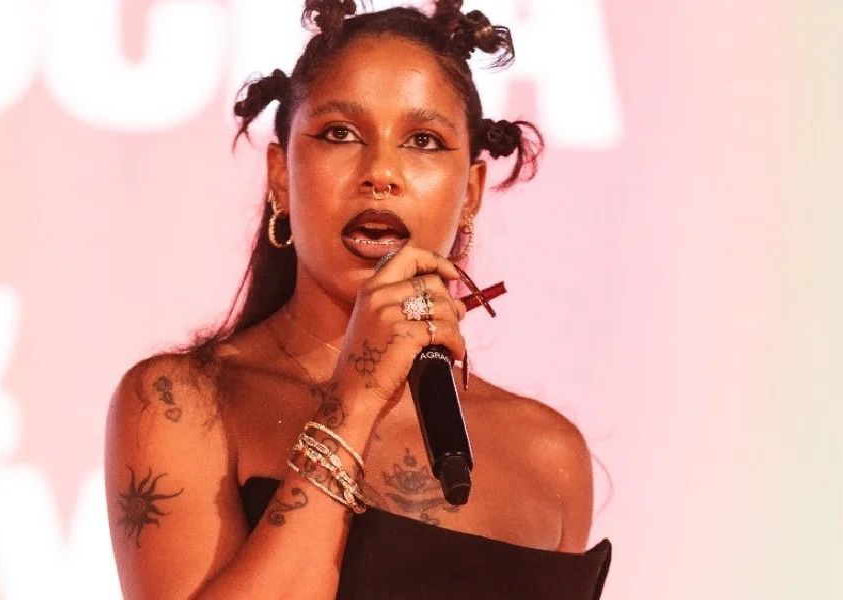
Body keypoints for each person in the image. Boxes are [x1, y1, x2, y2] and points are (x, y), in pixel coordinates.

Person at [105, 1, 612, 598]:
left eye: (423, 140)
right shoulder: (180, 405)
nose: (381, 173)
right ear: (281, 176)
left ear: (471, 193)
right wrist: (357, 395)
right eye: (340, 134)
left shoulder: (549, 457)